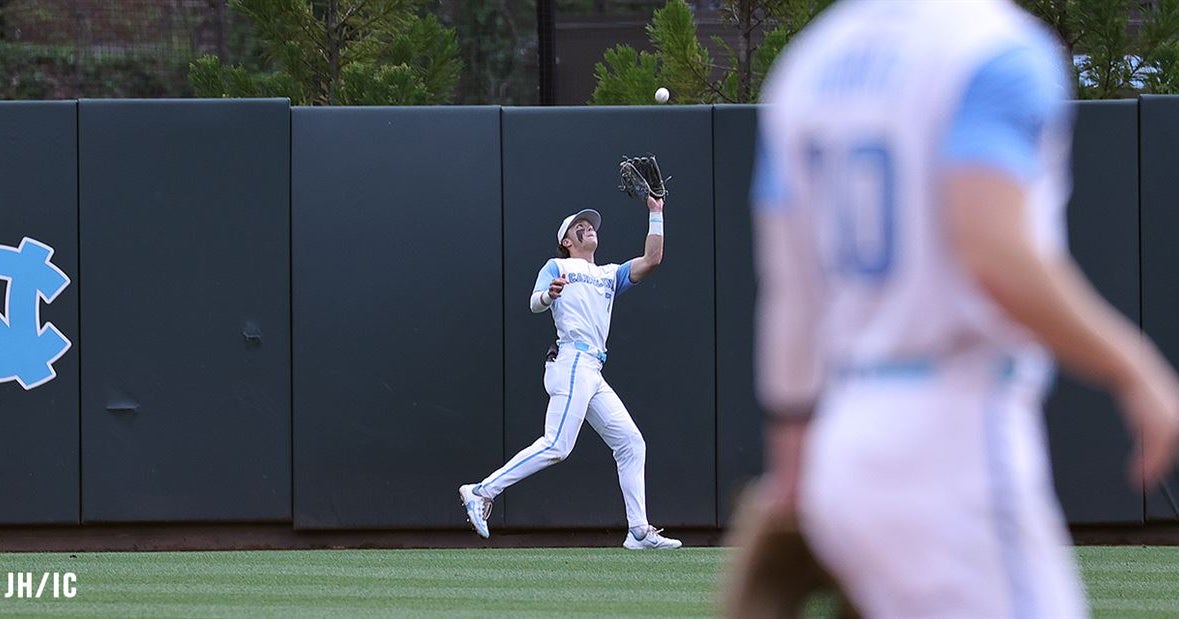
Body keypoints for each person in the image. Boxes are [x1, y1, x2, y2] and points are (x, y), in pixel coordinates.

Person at [748, 1, 1179, 617]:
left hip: (843, 435)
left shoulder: (807, 67)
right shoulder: (993, 46)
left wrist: (791, 471)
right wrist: (1133, 365)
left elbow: (791, 293)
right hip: (957, 439)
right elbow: (992, 254)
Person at [459, 195, 682, 550]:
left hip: (593, 369)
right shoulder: (556, 266)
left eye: (590, 224)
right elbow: (534, 303)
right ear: (566, 241)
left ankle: (638, 531)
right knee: (557, 446)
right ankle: (481, 491)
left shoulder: (609, 274)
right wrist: (549, 295)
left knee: (630, 442)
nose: (588, 227)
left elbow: (652, 259)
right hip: (572, 361)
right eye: (580, 226)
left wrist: (656, 213)